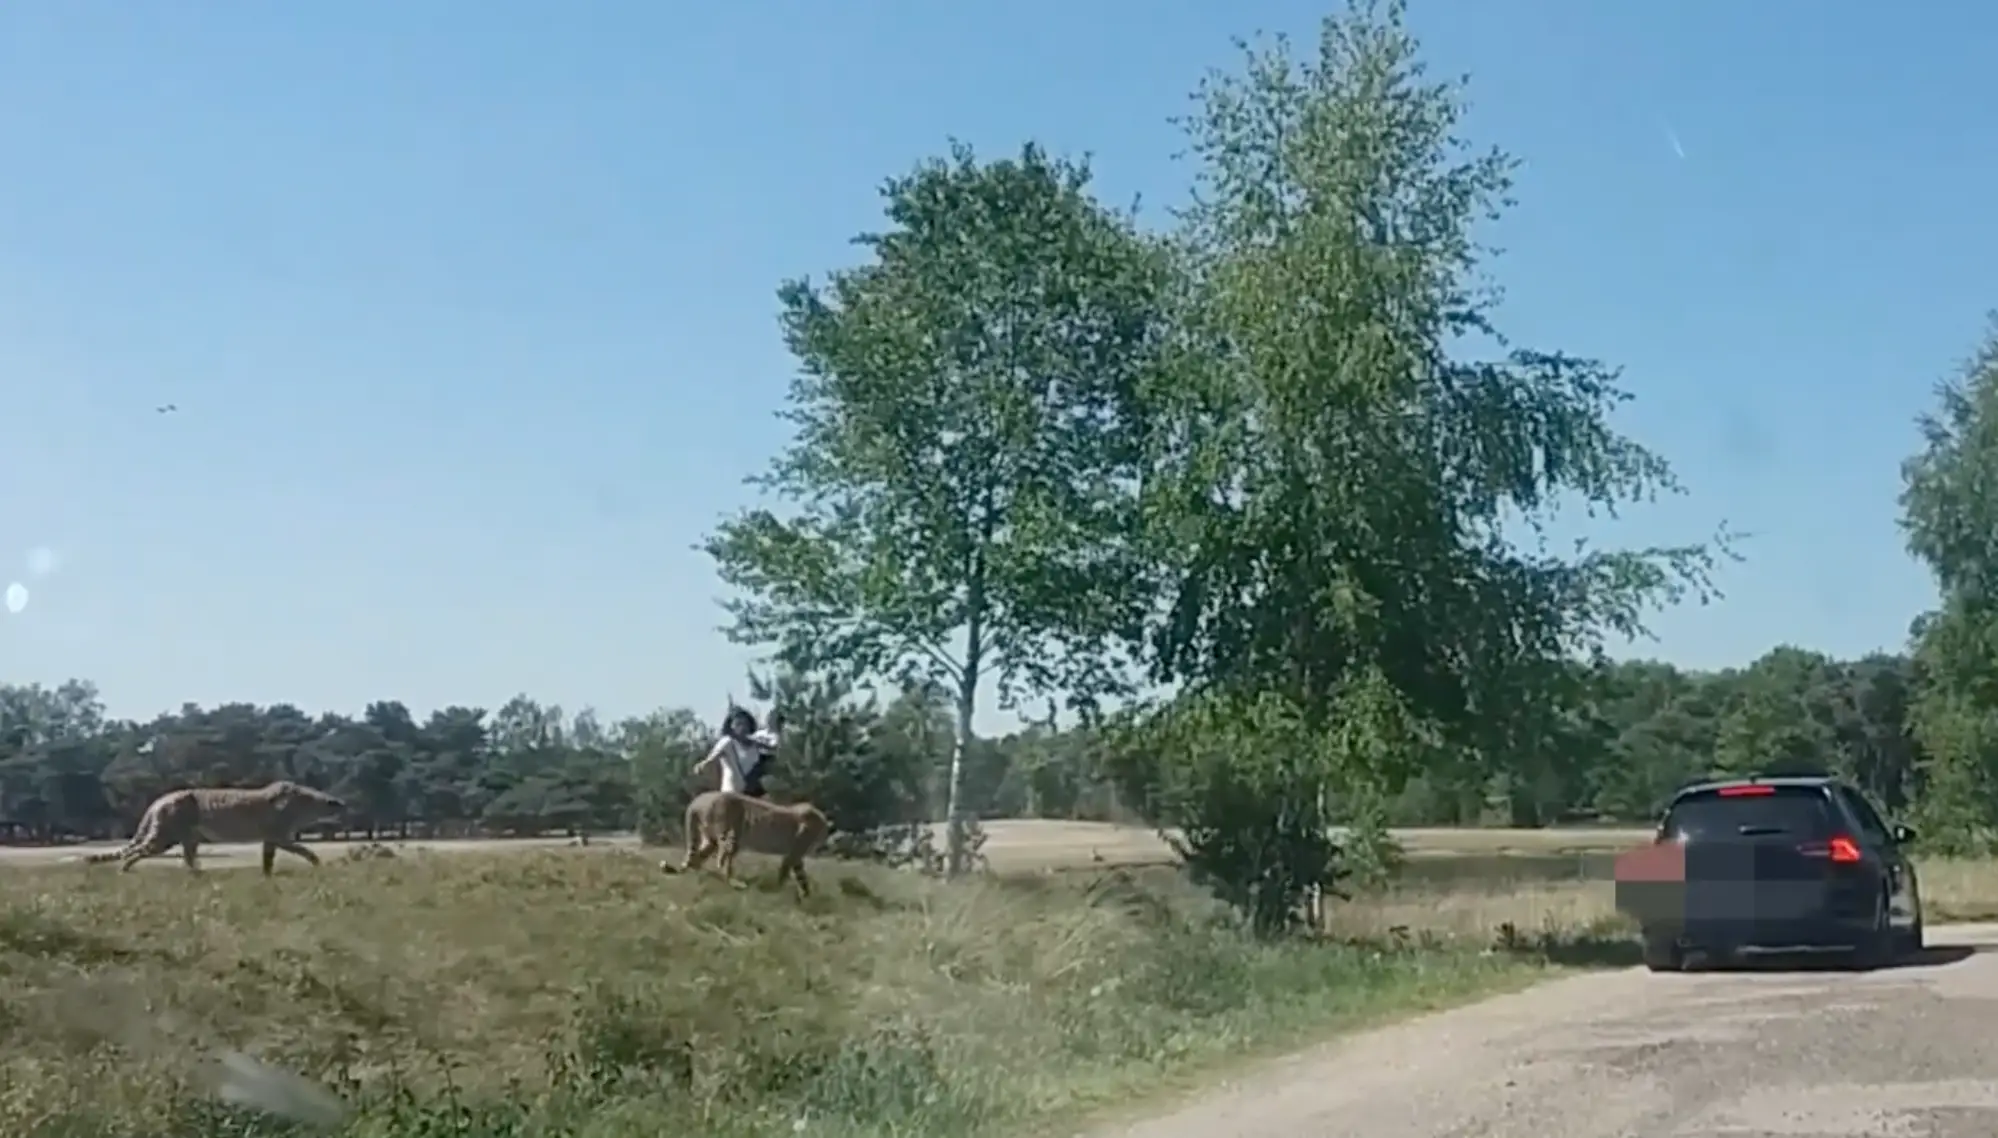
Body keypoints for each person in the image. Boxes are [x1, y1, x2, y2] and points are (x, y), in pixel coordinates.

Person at [693, 707, 781, 799]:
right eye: (738, 724)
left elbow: (774, 749)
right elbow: (711, 758)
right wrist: (702, 765)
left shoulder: (755, 743)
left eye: (745, 724)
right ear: (731, 726)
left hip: (752, 794)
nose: (742, 727)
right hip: (732, 793)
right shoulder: (727, 742)